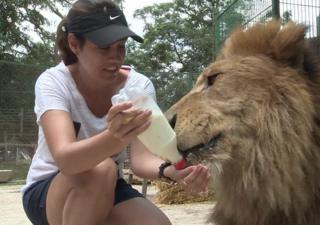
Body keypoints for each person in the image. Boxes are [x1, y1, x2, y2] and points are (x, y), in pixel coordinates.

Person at [21, 1, 210, 225]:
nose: (116, 57)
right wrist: (116, 136)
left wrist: (169, 171)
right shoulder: (53, 82)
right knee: (102, 168)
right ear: (74, 43)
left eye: (121, 46)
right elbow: (66, 160)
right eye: (104, 48)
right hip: (49, 187)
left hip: (108, 184)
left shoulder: (139, 87)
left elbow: (140, 160)